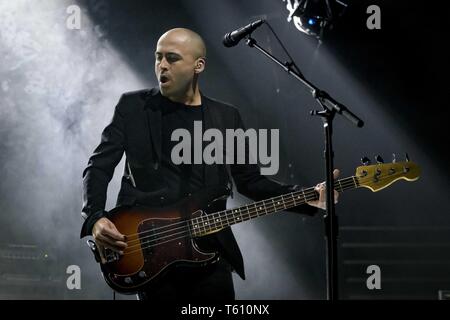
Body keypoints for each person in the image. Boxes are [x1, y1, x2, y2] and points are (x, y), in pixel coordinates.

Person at [80, 28, 339, 301]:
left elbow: (251, 182)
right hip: (150, 251)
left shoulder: (225, 117)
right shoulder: (133, 107)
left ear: (198, 65)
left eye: (172, 58)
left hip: (209, 252)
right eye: (158, 58)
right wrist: (96, 217)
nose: (162, 65)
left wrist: (309, 198)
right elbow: (98, 166)